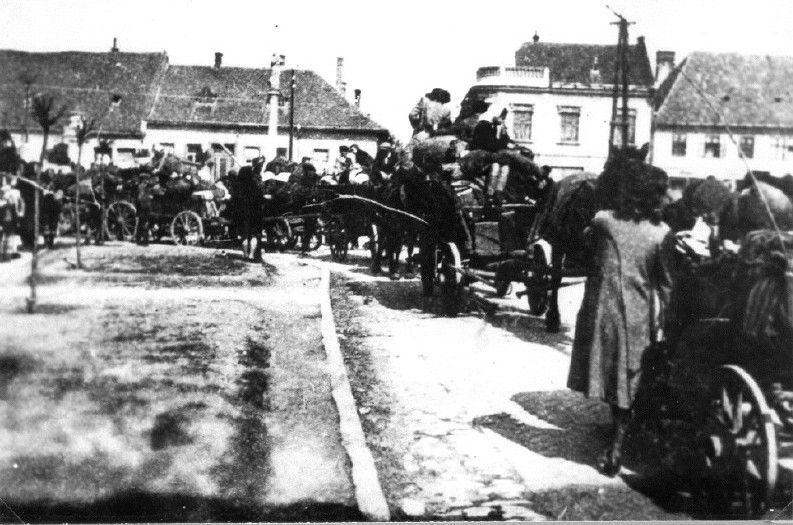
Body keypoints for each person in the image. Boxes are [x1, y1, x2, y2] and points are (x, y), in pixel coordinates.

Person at [566, 163, 672, 477]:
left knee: (611, 370)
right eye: (662, 192)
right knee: (630, 375)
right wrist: (667, 316)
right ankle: (618, 443)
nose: (667, 198)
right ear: (652, 197)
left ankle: (616, 438)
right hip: (636, 313)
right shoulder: (661, 233)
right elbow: (665, 282)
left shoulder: (604, 221)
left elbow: (585, 243)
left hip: (602, 310)